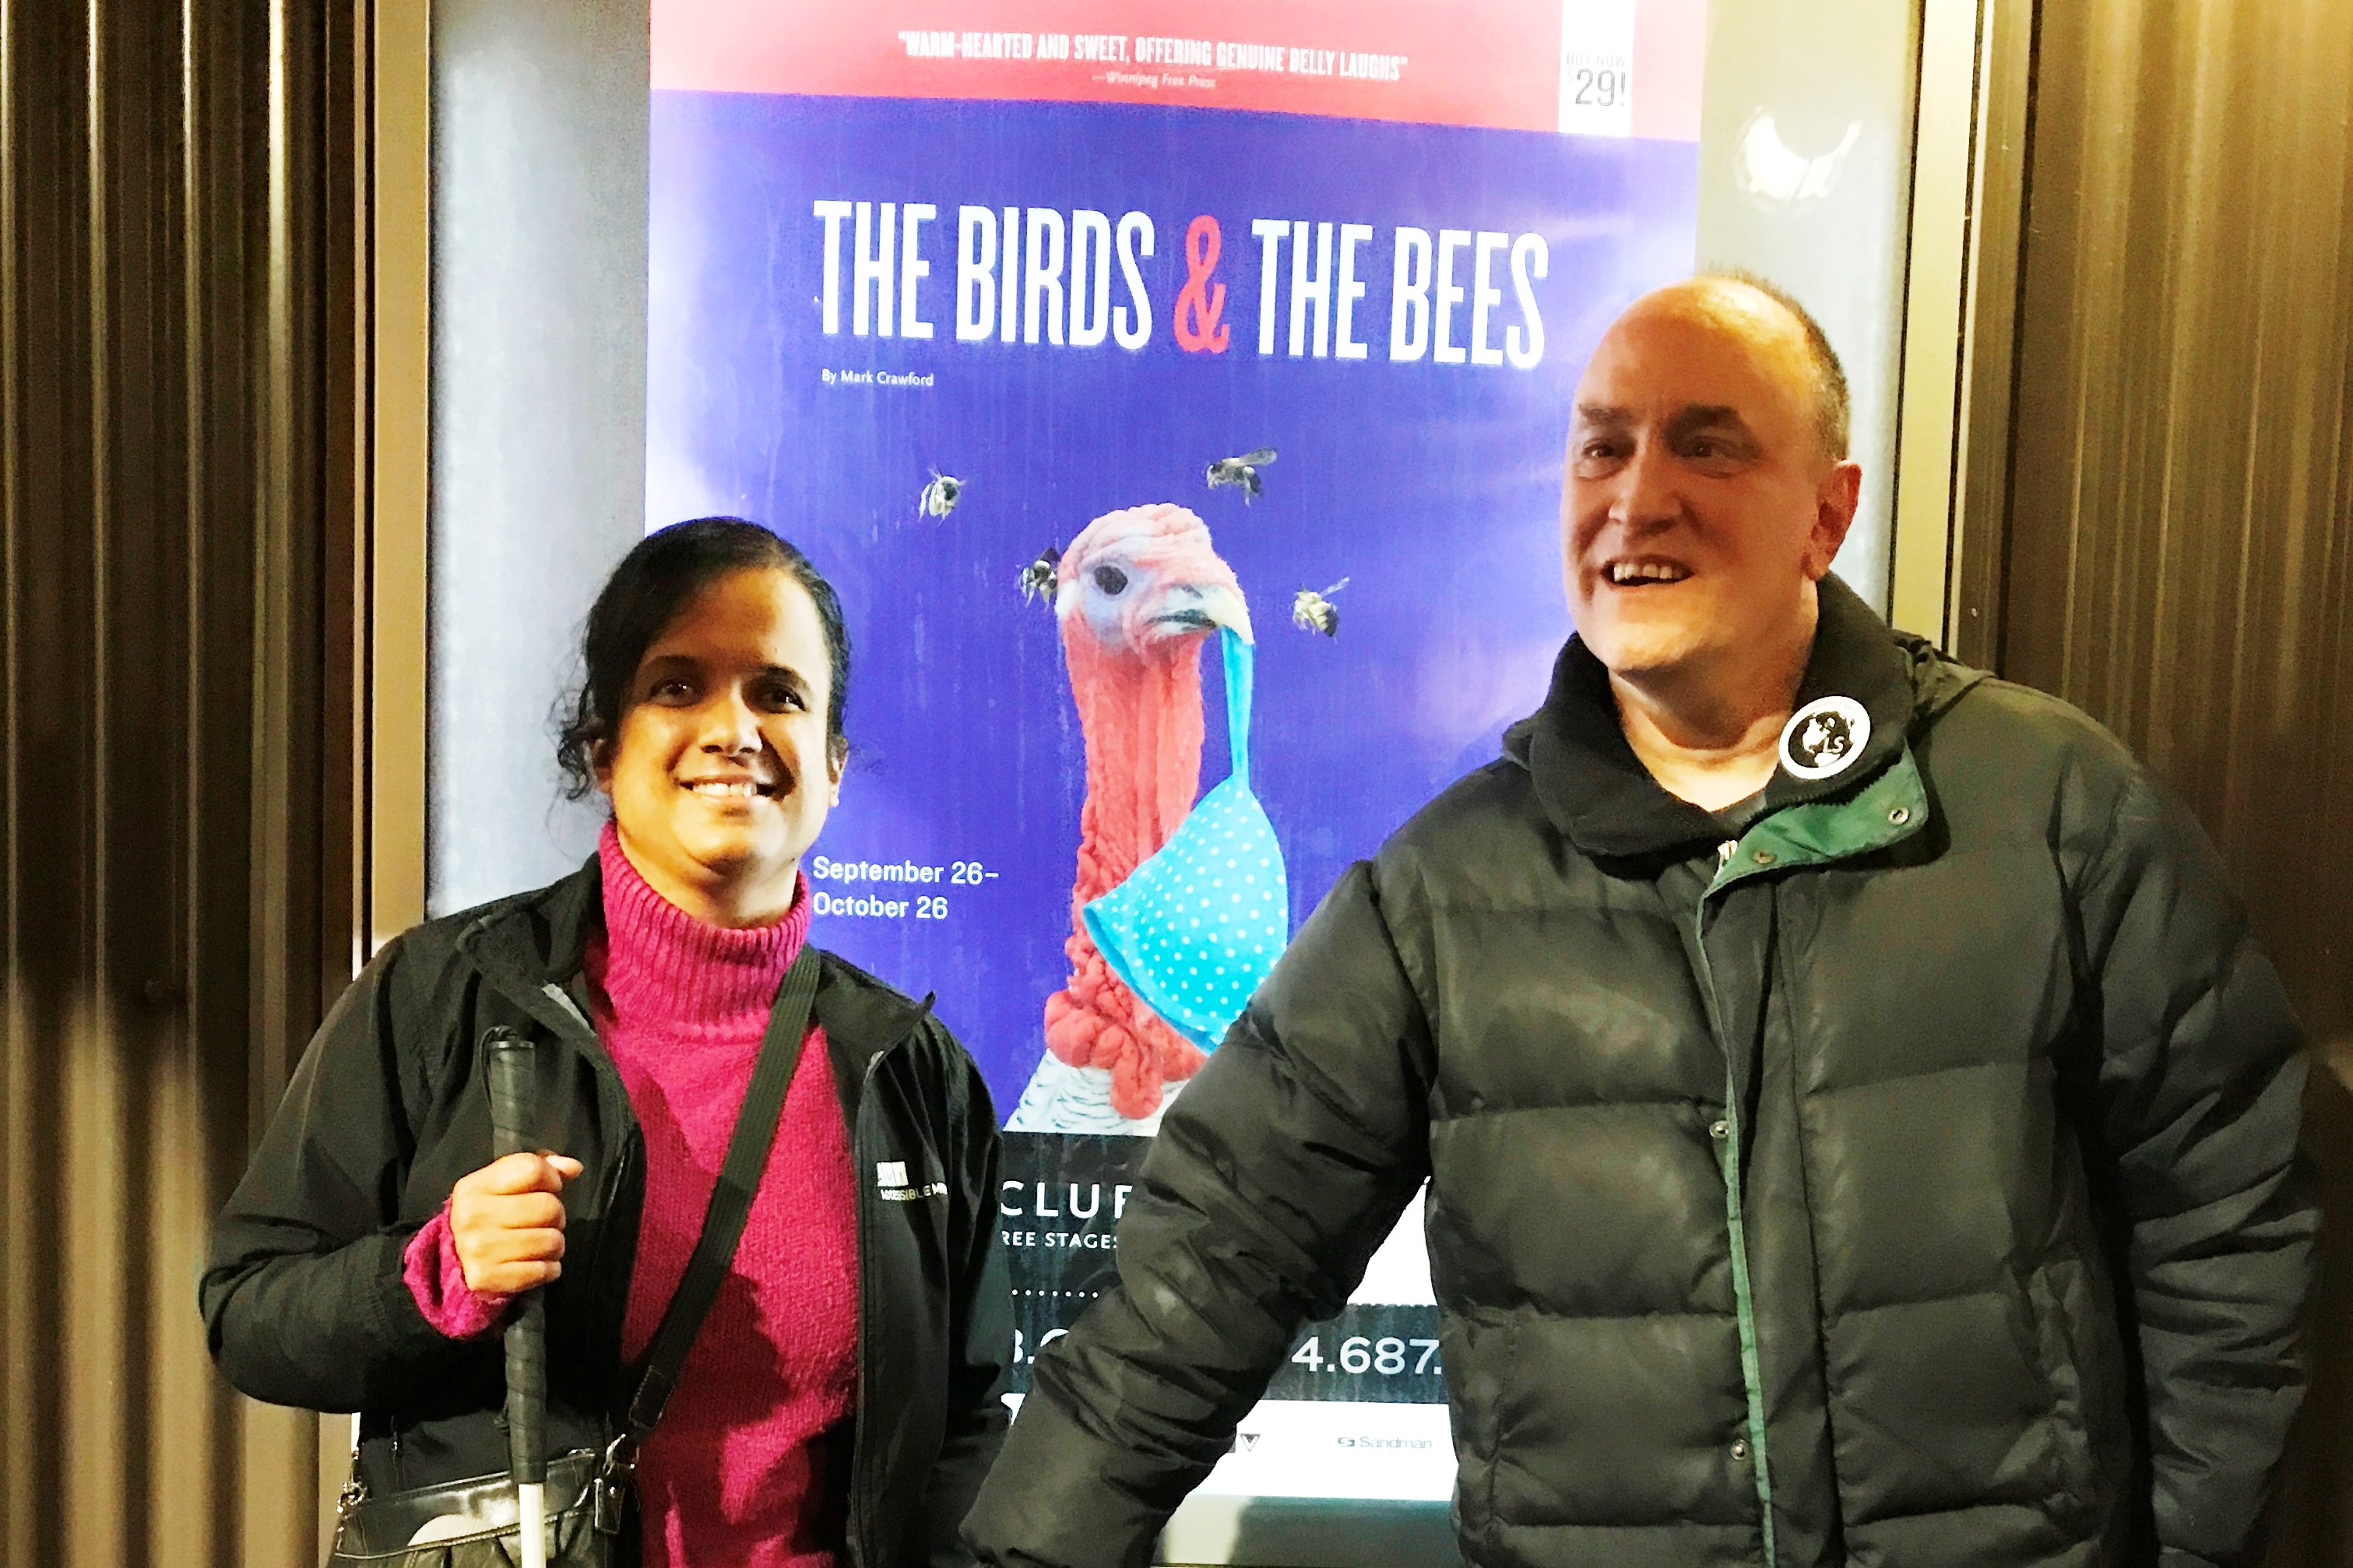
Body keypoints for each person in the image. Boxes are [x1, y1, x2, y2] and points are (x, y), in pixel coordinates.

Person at [961, 276, 2316, 1566]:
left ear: (1826, 515)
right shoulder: (1444, 897)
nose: (1635, 496)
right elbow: (1212, 1263)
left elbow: (2233, 1220)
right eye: (1599, 451)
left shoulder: (2046, 809)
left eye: (1707, 447)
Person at [204, 518, 1010, 1566]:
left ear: (834, 762)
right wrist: (430, 1274)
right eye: (678, 686)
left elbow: (965, 1421)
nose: (734, 728)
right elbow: (250, 1310)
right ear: (601, 746)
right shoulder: (443, 992)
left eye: (778, 693)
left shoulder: (909, 1067)